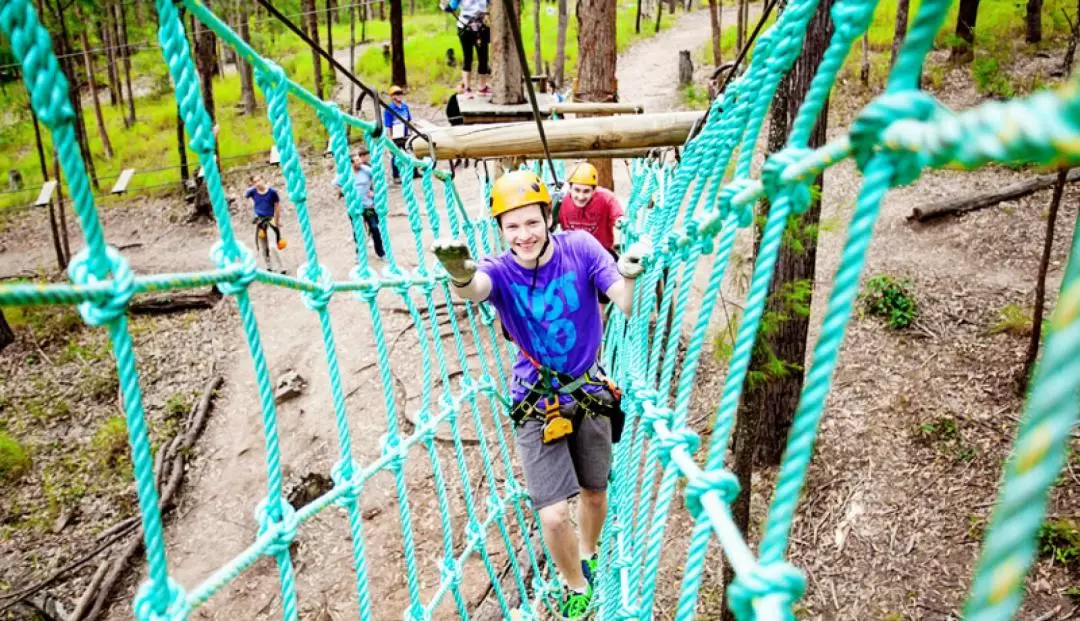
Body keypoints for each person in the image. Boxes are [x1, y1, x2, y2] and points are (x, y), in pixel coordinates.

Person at [431, 170, 649, 619]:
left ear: (548, 217)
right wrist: (458, 275)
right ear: (500, 230)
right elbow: (477, 290)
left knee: (594, 492)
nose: (523, 235)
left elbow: (623, 303)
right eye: (512, 226)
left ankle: (588, 551)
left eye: (531, 222)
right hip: (537, 399)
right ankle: (575, 583)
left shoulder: (582, 249)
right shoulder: (500, 269)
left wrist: (629, 275)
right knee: (552, 514)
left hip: (588, 388)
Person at [558, 163, 624, 259]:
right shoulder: (561, 200)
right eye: (577, 190)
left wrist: (620, 222)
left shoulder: (607, 198)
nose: (581, 197)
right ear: (570, 189)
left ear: (594, 190)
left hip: (601, 252)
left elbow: (618, 217)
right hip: (572, 253)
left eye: (586, 191)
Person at [333, 148, 385, 262]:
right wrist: (343, 192)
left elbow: (378, 178)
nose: (360, 161)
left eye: (359, 159)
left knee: (375, 228)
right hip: (354, 207)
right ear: (351, 163)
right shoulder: (345, 173)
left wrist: (374, 192)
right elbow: (335, 184)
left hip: (368, 206)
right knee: (357, 230)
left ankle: (381, 253)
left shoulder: (366, 170)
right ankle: (359, 254)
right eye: (356, 160)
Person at [441, 0, 491, 97]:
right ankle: (467, 88)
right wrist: (445, 5)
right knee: (468, 57)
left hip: (481, 27)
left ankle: (482, 87)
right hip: (465, 27)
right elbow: (451, 7)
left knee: (483, 57)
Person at [245, 174, 286, 273]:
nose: (257, 183)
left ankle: (282, 267)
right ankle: (269, 266)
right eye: (255, 182)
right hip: (260, 221)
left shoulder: (272, 192)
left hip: (270, 220)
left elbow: (277, 207)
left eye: (259, 180)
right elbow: (245, 195)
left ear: (263, 179)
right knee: (264, 247)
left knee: (272, 246)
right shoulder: (253, 192)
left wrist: (276, 221)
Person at [383, 85, 413, 185]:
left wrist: (410, 132)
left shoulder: (405, 107)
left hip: (405, 133)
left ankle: (414, 172)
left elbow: (409, 120)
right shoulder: (389, 109)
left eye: (400, 93)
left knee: (409, 152)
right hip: (395, 135)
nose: (399, 95)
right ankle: (396, 176)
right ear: (392, 96)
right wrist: (390, 137)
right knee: (395, 155)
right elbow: (388, 124)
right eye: (396, 94)